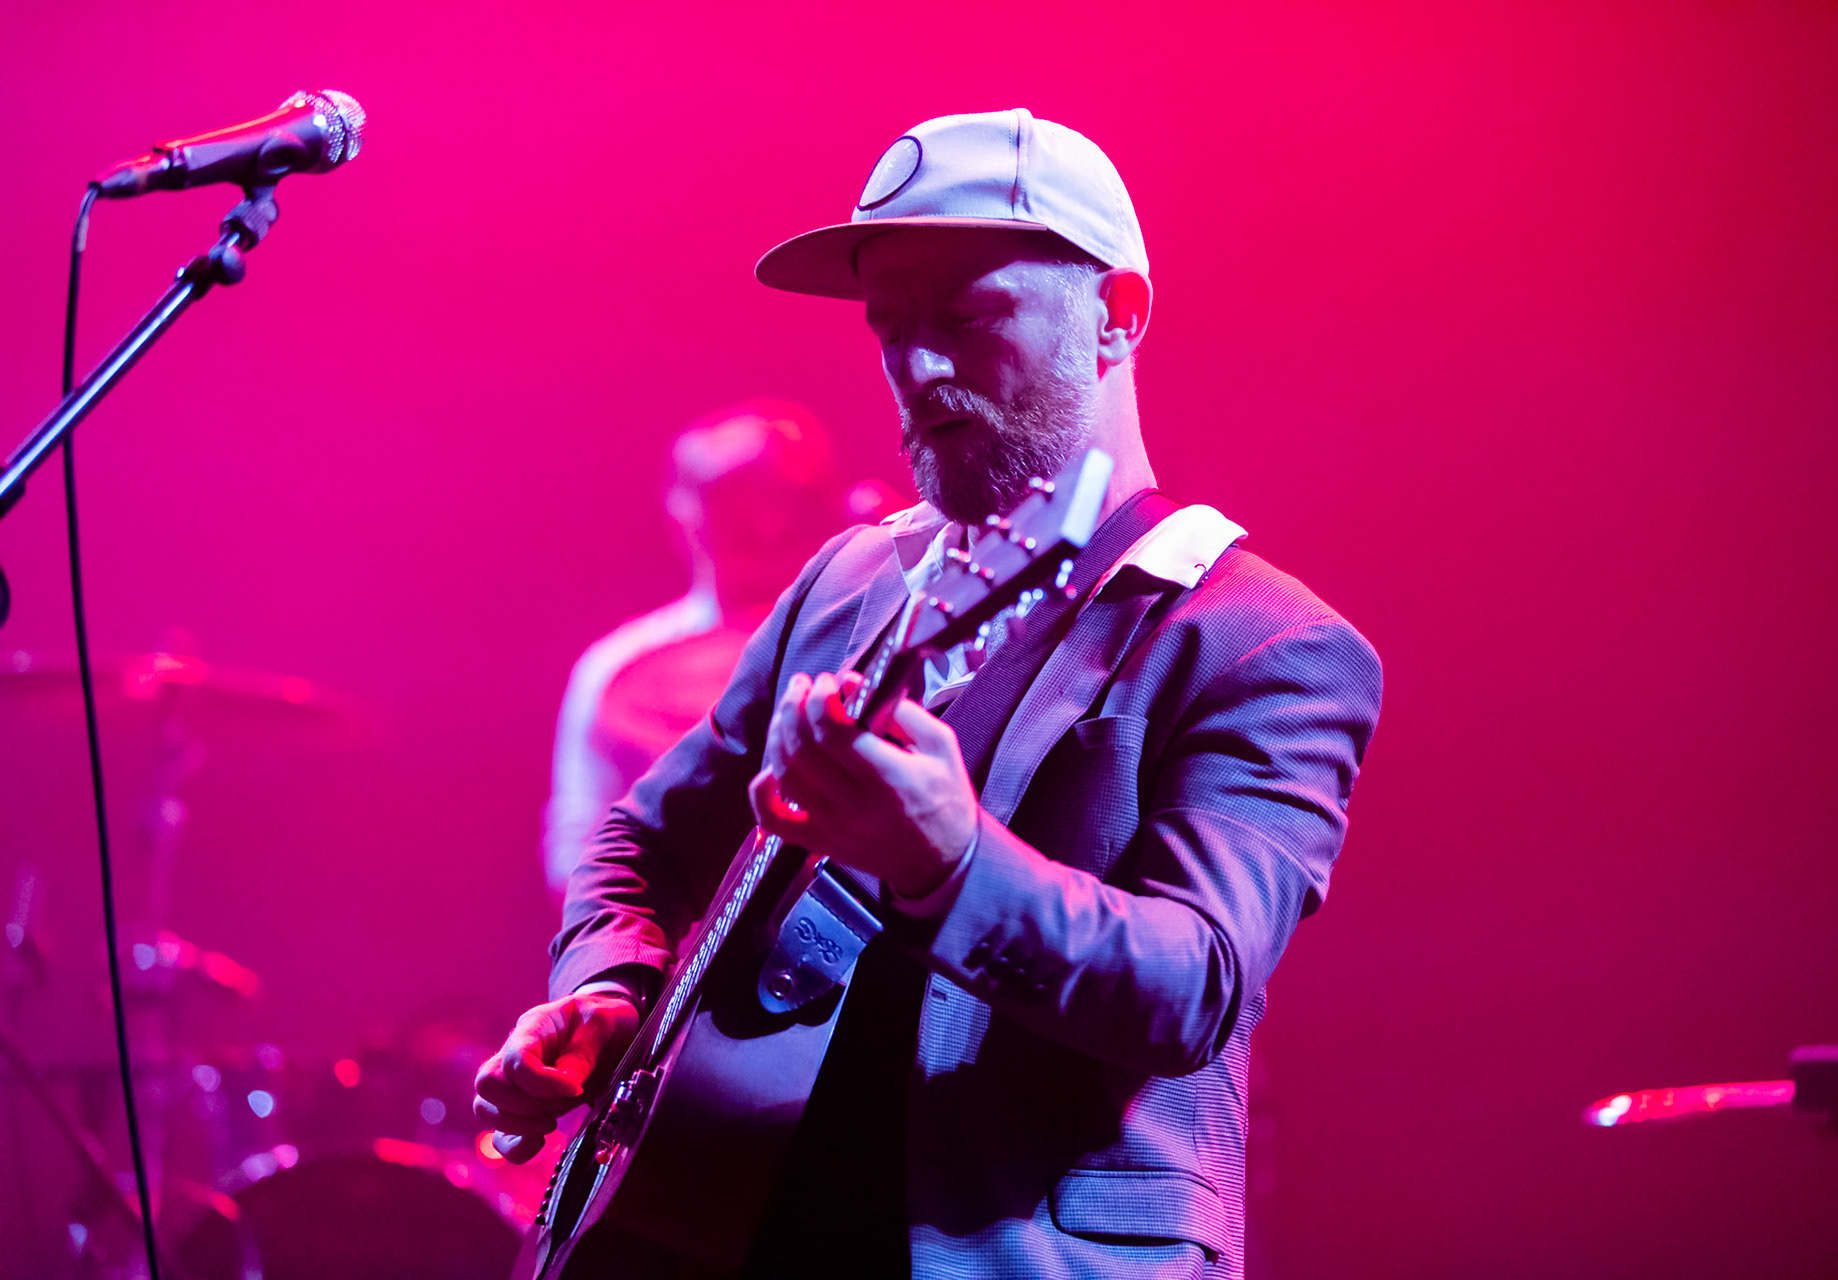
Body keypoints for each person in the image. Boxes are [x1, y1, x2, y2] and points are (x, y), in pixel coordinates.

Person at [476, 108, 1383, 1279]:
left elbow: (1190, 983)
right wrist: (609, 982)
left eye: (966, 316)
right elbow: (644, 836)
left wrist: (952, 859)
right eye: (891, 327)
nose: (919, 367)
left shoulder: (1263, 641)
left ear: (1115, 316)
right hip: (708, 1228)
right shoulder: (858, 579)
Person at [541, 401, 848, 902]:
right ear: (680, 506)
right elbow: (577, 848)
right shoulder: (619, 665)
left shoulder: (856, 632)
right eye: (734, 494)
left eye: (783, 493)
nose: (765, 519)